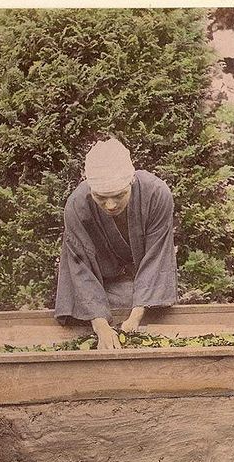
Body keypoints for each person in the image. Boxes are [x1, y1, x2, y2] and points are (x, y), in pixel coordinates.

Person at [54, 138, 177, 349]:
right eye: (101, 197)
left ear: (131, 182)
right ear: (90, 189)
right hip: (101, 290)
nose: (110, 205)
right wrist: (100, 326)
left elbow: (158, 256)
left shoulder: (157, 194)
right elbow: (79, 267)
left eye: (119, 196)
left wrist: (135, 318)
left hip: (145, 290)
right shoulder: (76, 205)